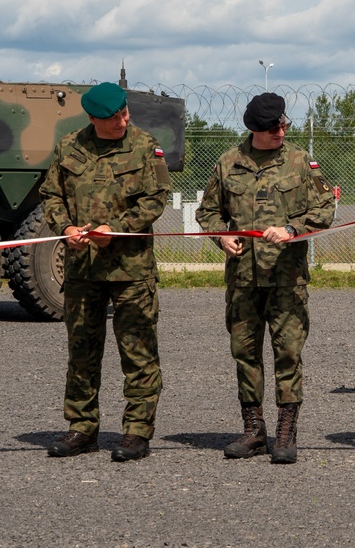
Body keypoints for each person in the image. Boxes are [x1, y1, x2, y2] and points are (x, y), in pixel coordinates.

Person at [195, 93, 335, 464]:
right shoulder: (229, 163)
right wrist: (220, 235)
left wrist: (292, 227)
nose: (281, 131)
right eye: (274, 127)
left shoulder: (299, 162)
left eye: (284, 124)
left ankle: (286, 431)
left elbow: (326, 208)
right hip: (242, 278)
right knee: (244, 352)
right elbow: (208, 211)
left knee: (287, 351)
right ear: (255, 130)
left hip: (286, 278)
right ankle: (253, 429)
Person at [40, 81, 170, 462]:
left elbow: (156, 198)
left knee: (139, 354)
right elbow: (52, 195)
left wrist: (118, 229)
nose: (124, 121)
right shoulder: (70, 147)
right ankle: (82, 428)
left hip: (131, 270)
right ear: (95, 119)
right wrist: (65, 228)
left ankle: (136, 433)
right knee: (82, 352)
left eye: (126, 113)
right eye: (115, 118)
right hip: (82, 270)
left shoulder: (145, 145)